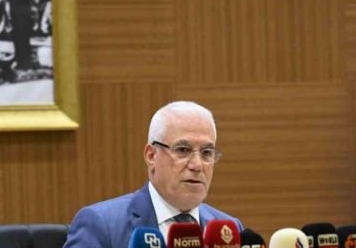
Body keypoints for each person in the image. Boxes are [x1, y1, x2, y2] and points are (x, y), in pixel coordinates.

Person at [63, 101, 242, 247]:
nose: (197, 165)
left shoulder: (229, 229)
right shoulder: (102, 225)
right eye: (182, 150)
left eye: (207, 153)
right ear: (151, 156)